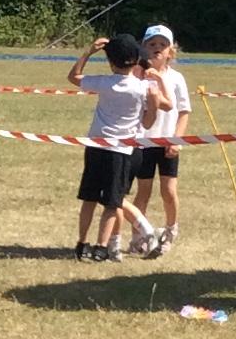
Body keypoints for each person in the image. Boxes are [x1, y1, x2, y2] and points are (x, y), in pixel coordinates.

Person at [66, 34, 162, 262]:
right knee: (112, 203)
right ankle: (101, 247)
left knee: (89, 198)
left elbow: (73, 77)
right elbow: (148, 123)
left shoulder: (104, 82)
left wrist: (89, 52)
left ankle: (82, 243)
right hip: (121, 152)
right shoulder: (142, 88)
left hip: (96, 146)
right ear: (136, 60)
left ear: (110, 62)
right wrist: (154, 104)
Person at [124, 25, 192, 255]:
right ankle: (138, 237)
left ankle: (171, 230)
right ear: (143, 48)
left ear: (171, 51)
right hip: (143, 142)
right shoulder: (137, 76)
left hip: (167, 142)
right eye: (152, 44)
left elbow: (184, 112)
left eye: (162, 45)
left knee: (168, 191)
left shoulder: (176, 78)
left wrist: (177, 140)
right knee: (143, 191)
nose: (157, 49)